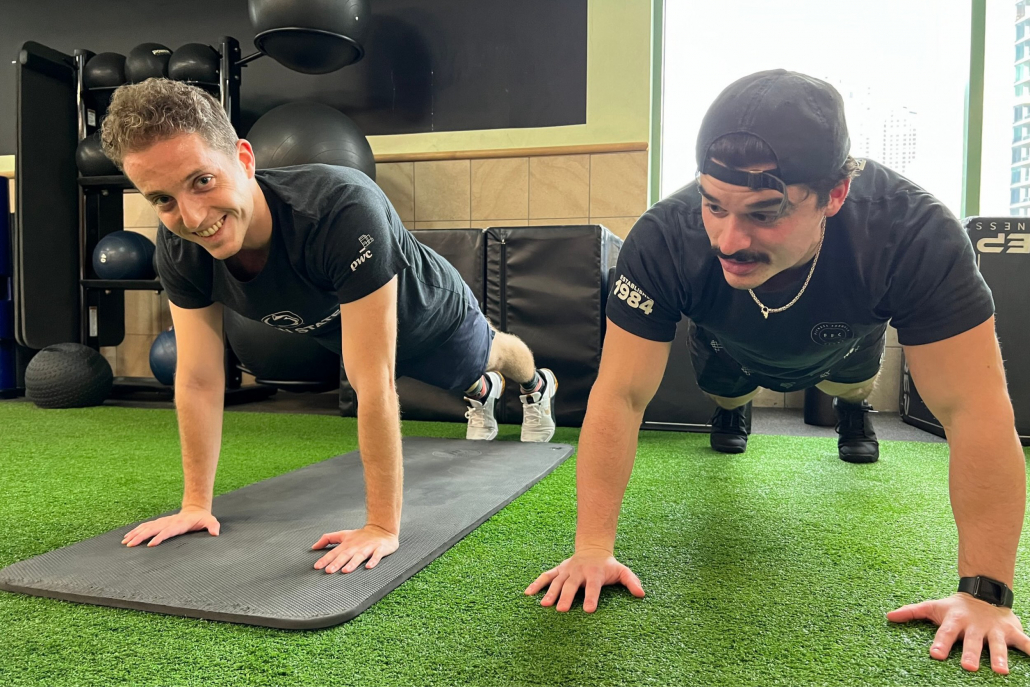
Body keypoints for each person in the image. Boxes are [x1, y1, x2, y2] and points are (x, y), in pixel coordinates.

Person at [526, 70, 1028, 674]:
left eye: (765, 214)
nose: (729, 239)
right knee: (723, 389)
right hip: (730, 346)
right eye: (715, 206)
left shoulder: (911, 233)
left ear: (835, 194)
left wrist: (986, 594)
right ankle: (732, 403)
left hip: (844, 346)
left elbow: (974, 406)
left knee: (850, 384)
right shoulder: (666, 238)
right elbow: (623, 394)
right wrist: (591, 549)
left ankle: (851, 408)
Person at [103, 79, 558, 574]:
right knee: (455, 377)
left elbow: (373, 380)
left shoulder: (340, 209)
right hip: (348, 330)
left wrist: (382, 526)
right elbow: (198, 378)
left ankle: (535, 385)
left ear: (245, 159)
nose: (192, 216)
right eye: (163, 200)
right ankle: (481, 391)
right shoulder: (181, 248)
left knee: (489, 355)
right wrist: (196, 504)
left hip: (431, 315)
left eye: (202, 181)